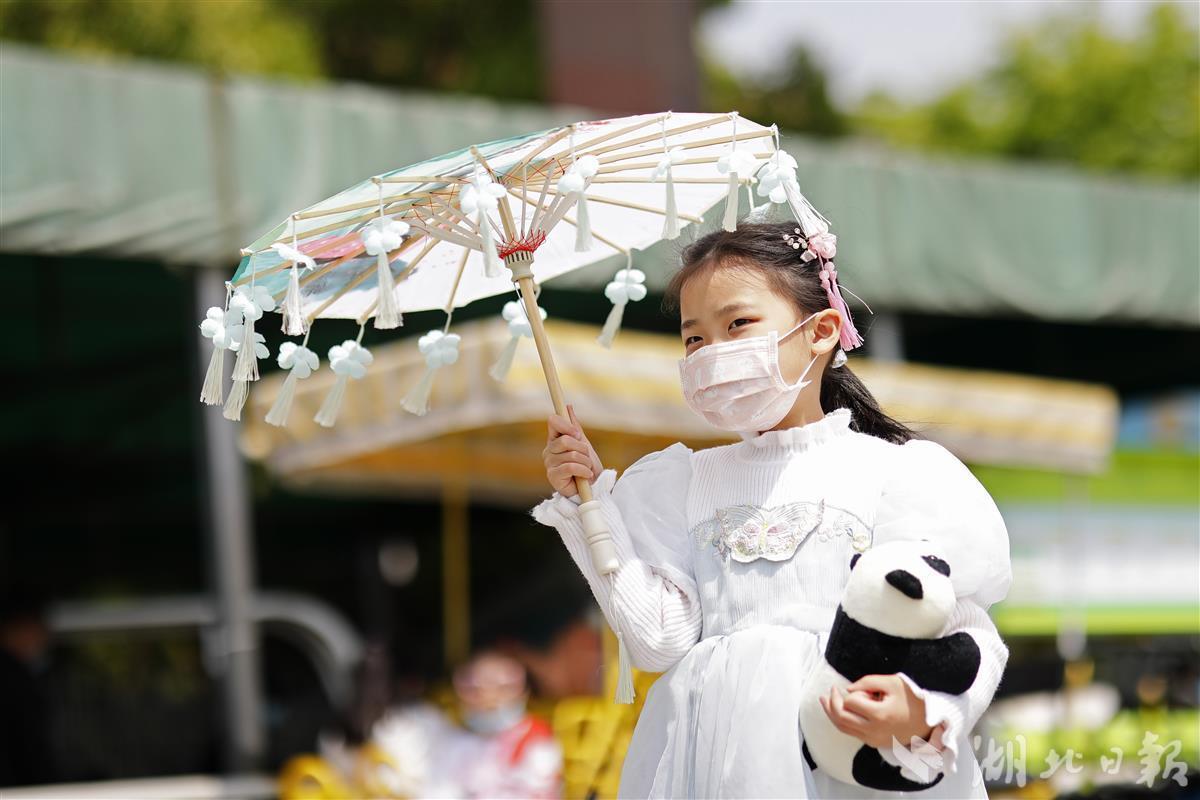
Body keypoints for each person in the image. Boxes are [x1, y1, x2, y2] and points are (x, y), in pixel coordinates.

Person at [530, 218, 1013, 798]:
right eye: (695, 339)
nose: (713, 353)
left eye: (738, 324)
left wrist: (925, 710)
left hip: (849, 749)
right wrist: (587, 509)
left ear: (822, 330)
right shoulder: (683, 481)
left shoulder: (894, 472)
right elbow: (658, 640)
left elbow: (962, 627)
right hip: (710, 759)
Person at [0, 589, 56, 787]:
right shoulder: (16, 682)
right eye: (40, 627)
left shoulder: (17, 677)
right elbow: (30, 754)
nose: (46, 637)